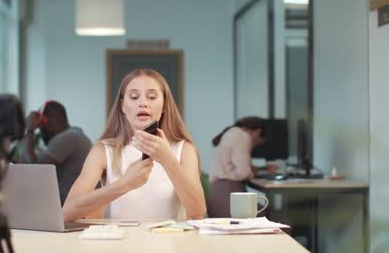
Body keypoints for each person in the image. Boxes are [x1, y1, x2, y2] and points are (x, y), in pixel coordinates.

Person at [62, 69, 206, 221]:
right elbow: (67, 212)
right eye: (134, 97)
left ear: (164, 106)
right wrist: (124, 184)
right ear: (123, 106)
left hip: (169, 242)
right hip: (118, 243)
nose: (143, 103)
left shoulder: (184, 150)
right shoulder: (102, 151)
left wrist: (168, 160)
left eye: (151, 97)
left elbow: (197, 211)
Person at [20, 100, 92, 205]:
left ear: (47, 121)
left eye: (41, 126)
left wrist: (30, 130)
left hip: (73, 211)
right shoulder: (75, 135)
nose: (41, 130)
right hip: (78, 207)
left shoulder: (67, 138)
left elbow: (32, 171)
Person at [207, 116, 266, 217]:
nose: (257, 145)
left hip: (216, 196)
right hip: (229, 198)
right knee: (281, 219)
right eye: (260, 141)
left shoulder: (230, 133)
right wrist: (251, 174)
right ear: (257, 132)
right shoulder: (242, 136)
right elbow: (243, 173)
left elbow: (231, 165)